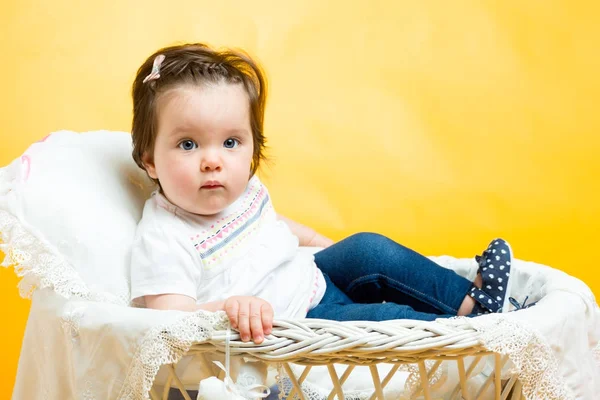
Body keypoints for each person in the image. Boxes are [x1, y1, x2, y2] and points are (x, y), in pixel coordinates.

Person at [129, 43, 519, 345]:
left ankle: (472, 302)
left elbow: (268, 223)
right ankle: (470, 339)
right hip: (303, 323)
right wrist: (228, 309)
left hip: (313, 275)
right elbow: (169, 320)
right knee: (385, 321)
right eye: (188, 145)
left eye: (231, 142)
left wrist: (322, 245)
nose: (213, 161)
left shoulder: (242, 191)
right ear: (149, 161)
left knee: (369, 249)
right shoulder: (165, 237)